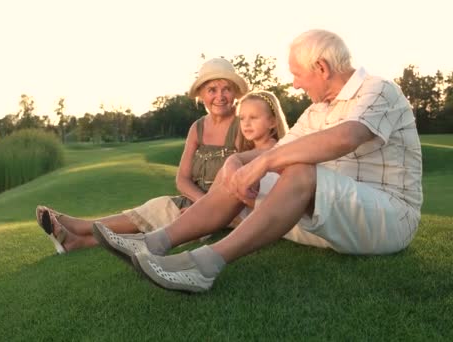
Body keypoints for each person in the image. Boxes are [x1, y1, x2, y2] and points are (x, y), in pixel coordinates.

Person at [93, 29, 423, 293]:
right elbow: (276, 149)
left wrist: (263, 164)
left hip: (389, 220)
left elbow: (346, 137)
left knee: (299, 171)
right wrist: (238, 160)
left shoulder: (378, 89)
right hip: (333, 222)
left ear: (320, 68)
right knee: (237, 170)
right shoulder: (316, 110)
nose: (294, 83)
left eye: (297, 74)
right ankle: (154, 242)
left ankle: (204, 267)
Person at [35, 57, 249, 254]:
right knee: (157, 209)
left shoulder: (243, 125)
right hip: (193, 201)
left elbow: (249, 181)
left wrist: (210, 210)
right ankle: (77, 241)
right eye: (212, 89)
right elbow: (182, 179)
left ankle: (78, 227)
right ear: (201, 94)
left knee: (163, 220)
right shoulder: (197, 127)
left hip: (226, 210)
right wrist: (202, 205)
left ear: (235, 93)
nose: (220, 96)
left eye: (226, 89)